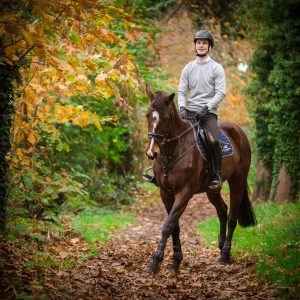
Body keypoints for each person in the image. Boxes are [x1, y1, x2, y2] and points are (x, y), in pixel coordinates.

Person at [178, 29, 226, 191]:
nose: (201, 45)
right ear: (195, 45)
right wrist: (182, 107)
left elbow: (221, 92)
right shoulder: (188, 68)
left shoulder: (216, 68)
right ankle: (160, 173)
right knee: (169, 134)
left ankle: (217, 175)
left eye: (204, 43)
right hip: (189, 112)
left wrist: (206, 108)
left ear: (209, 46)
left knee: (214, 141)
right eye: (198, 42)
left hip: (208, 114)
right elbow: (181, 91)